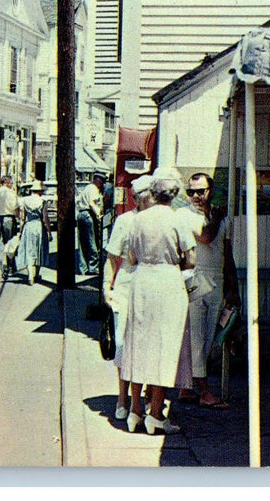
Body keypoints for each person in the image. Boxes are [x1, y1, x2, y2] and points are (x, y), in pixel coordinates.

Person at [120, 167, 195, 436]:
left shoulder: (138, 219)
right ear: (174, 194)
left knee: (138, 343)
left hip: (141, 282)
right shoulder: (178, 220)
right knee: (165, 346)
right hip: (168, 282)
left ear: (153, 192)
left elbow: (130, 257)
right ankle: (155, 414)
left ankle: (134, 410)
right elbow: (191, 259)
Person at [175, 172, 241, 410]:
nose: (195, 196)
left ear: (210, 191)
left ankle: (187, 386)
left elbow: (227, 254)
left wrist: (233, 288)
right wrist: (217, 216)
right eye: (190, 191)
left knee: (209, 334)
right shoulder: (184, 214)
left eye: (200, 191)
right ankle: (203, 390)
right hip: (195, 276)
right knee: (195, 335)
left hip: (217, 277)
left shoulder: (221, 217)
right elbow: (205, 236)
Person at [102, 174, 154, 420]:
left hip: (151, 287)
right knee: (123, 343)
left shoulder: (159, 221)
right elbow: (112, 257)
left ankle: (142, 399)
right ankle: (123, 398)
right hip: (126, 286)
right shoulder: (124, 221)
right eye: (143, 198)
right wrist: (106, 287)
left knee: (148, 345)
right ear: (136, 199)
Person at [16, 180, 50, 285]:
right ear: (40, 191)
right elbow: (45, 218)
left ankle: (30, 275)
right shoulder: (42, 201)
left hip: (29, 225)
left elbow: (22, 217)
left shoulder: (25, 200)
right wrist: (49, 231)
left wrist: (21, 230)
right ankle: (36, 274)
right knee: (39, 249)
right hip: (39, 226)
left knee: (29, 250)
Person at [76, 172, 107, 275]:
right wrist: (98, 214)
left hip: (81, 214)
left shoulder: (86, 188)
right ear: (98, 180)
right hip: (89, 214)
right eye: (102, 181)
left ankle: (83, 268)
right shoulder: (93, 188)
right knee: (92, 241)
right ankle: (93, 267)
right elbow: (92, 203)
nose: (102, 184)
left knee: (82, 243)